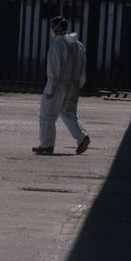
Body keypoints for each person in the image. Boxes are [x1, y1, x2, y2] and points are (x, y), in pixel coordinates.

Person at [33, 15, 89, 156]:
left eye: (52, 26)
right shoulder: (78, 45)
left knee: (47, 115)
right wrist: (79, 84)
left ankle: (47, 145)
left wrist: (51, 88)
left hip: (58, 84)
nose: (51, 29)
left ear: (57, 27)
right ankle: (81, 137)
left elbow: (54, 68)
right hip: (74, 84)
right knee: (68, 112)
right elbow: (83, 67)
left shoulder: (57, 44)